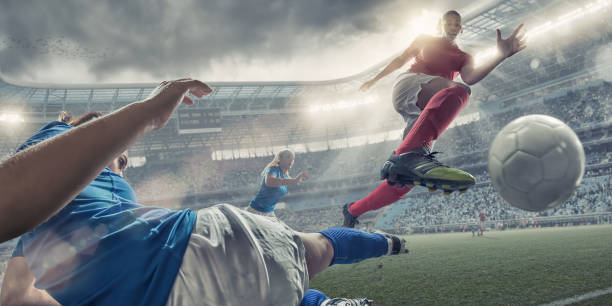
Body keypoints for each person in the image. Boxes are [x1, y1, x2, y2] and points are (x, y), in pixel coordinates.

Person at [0, 78, 405, 306]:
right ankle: (387, 244)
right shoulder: (55, 143)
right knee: (315, 247)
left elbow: (15, 298)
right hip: (203, 249)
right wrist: (148, 113)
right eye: (120, 160)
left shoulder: (34, 238)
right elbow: (18, 184)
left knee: (283, 274)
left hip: (199, 287)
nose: (120, 167)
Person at [343, 10, 526, 227]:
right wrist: (374, 80)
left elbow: (471, 77)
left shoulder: (464, 57)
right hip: (410, 86)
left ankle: (353, 210)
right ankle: (408, 157)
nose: (452, 25)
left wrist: (500, 56)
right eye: (448, 21)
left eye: (456, 23)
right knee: (458, 91)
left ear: (461, 28)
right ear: (440, 25)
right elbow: (400, 60)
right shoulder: (424, 40)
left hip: (426, 110)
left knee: (404, 181)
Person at [247, 149, 309, 218]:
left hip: (269, 212)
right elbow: (269, 182)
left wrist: (298, 180)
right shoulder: (273, 169)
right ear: (280, 159)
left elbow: (289, 181)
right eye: (288, 157)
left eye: (293, 159)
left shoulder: (285, 176)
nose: (291, 160)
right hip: (256, 211)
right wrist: (294, 180)